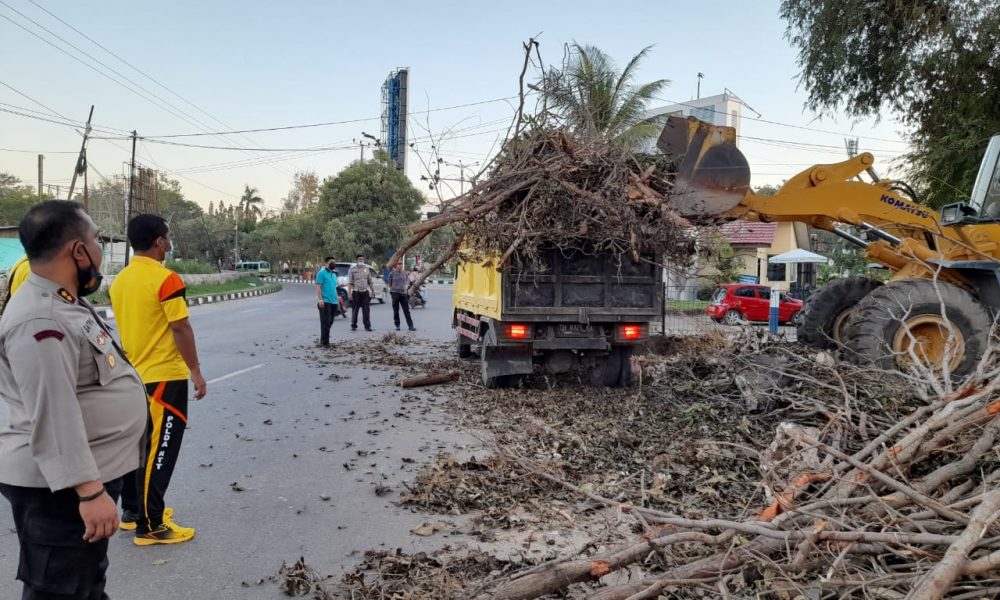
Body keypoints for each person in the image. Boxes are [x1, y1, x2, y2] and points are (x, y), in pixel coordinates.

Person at [0, 200, 147, 598]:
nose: (100, 248)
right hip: (60, 490)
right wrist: (90, 491)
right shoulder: (41, 318)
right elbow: (54, 414)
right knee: (61, 590)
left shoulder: (63, 300)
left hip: (76, 480)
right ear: (78, 251)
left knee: (82, 584)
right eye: (97, 239)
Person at [110, 213, 207, 546]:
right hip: (164, 376)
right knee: (160, 450)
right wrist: (195, 370)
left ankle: (134, 511)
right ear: (159, 242)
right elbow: (180, 327)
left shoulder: (121, 280)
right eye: (167, 237)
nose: (169, 243)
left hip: (133, 374)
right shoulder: (166, 279)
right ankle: (150, 524)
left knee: (139, 448)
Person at [315, 256, 339, 346]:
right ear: (326, 263)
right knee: (325, 322)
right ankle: (325, 342)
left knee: (330, 322)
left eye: (334, 262)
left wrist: (337, 301)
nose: (333, 264)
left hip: (334, 302)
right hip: (325, 302)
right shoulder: (321, 273)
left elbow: (334, 288)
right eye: (331, 262)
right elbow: (318, 287)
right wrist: (320, 300)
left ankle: (323, 340)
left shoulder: (334, 275)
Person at [347, 254, 374, 332]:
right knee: (355, 310)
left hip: (365, 292)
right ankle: (354, 325)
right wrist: (349, 293)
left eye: (362, 259)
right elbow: (350, 283)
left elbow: (370, 281)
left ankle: (367, 326)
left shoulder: (367, 269)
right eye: (360, 259)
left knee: (366, 310)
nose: (361, 261)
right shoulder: (352, 270)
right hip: (356, 292)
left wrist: (373, 290)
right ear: (357, 260)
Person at [388, 263, 415, 331]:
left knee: (406, 310)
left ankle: (411, 326)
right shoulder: (392, 273)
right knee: (396, 310)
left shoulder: (404, 273)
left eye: (401, 265)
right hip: (395, 293)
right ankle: (397, 325)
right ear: (396, 266)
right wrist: (392, 290)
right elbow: (389, 283)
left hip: (403, 293)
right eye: (398, 265)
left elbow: (408, 280)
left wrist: (406, 286)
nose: (400, 266)